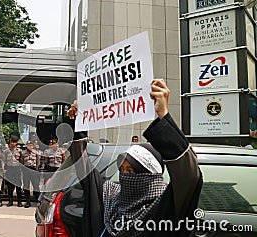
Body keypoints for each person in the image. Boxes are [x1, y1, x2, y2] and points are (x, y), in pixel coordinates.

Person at [69, 79, 203, 237]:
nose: (125, 176)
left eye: (131, 170)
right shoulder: (110, 195)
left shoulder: (164, 205)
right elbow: (84, 168)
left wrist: (163, 115)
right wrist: (78, 121)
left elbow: (189, 177)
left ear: (148, 174)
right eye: (122, 170)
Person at [3, 135, 23, 207]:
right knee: (10, 186)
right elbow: (4, 160)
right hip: (9, 169)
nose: (11, 143)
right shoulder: (6, 151)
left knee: (18, 186)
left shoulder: (19, 151)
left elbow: (21, 160)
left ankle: (19, 202)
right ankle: (10, 201)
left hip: (17, 169)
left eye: (13, 142)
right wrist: (4, 169)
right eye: (11, 142)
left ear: (16, 143)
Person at [21, 140, 41, 208]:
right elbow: (21, 161)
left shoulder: (36, 153)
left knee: (36, 185)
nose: (29, 146)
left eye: (31, 145)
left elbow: (38, 161)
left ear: (33, 146)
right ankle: (28, 202)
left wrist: (37, 169)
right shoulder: (23, 153)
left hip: (33, 169)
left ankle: (38, 200)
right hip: (26, 170)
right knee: (26, 186)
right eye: (28, 145)